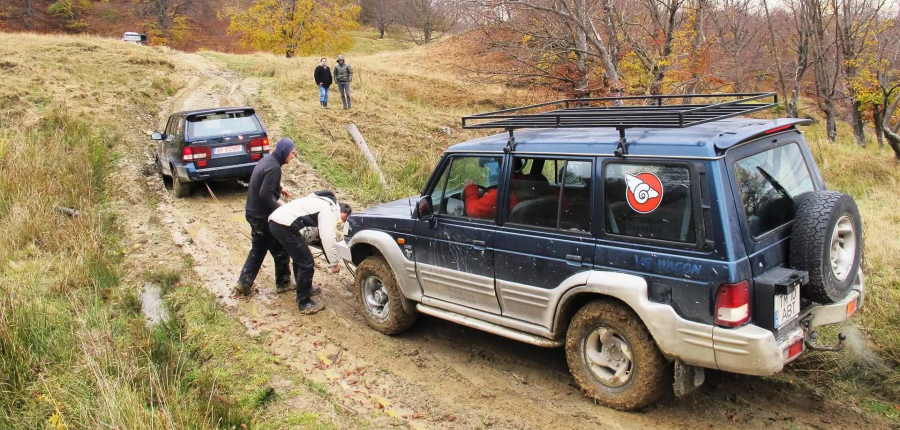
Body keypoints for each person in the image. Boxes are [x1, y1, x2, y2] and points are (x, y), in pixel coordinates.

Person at [268, 190, 352, 314]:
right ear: (342, 211)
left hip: (277, 221)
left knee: (301, 256)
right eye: (344, 219)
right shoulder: (330, 209)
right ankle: (304, 302)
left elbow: (318, 236)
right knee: (306, 263)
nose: (342, 222)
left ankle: (303, 287)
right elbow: (327, 237)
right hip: (285, 225)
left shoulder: (318, 202)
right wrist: (334, 263)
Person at [234, 138, 296, 296]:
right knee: (280, 248)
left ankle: (244, 283)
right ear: (284, 152)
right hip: (262, 216)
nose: (293, 156)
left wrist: (280, 188)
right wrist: (280, 210)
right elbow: (265, 194)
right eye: (292, 153)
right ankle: (283, 283)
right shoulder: (274, 168)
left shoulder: (267, 160)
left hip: (253, 212)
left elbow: (264, 180)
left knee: (259, 247)